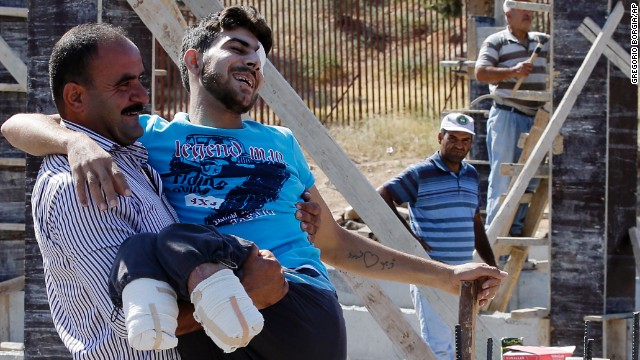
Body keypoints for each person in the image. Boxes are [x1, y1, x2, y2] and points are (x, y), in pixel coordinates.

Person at [3, 6, 507, 360]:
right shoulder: (147, 135)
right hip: (211, 323)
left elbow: (334, 243)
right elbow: (16, 125)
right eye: (238, 48)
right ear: (195, 60)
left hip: (296, 298)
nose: (254, 62)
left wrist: (443, 275)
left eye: (261, 58)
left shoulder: (283, 143)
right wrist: (75, 142)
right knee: (154, 244)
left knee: (167, 241)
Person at [0, 22, 321, 360]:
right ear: (76, 97)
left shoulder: (133, 155)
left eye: (140, 79)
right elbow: (131, 321)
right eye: (124, 83)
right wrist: (247, 292)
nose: (141, 94)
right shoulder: (79, 184)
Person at [378, 113, 497, 360]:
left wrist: (492, 265)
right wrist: (408, 238)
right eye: (452, 138)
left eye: (465, 140)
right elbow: (382, 195)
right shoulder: (421, 173)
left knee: (461, 347)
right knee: (438, 347)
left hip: (465, 275)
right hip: (430, 272)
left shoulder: (471, 175)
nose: (459, 144)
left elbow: (475, 223)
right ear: (440, 137)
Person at [474, 0, 549, 236]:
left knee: (529, 181)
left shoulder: (541, 41)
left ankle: (513, 239)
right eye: (522, 10)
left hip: (536, 120)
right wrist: (513, 71)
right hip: (508, 115)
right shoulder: (496, 41)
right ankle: (494, 249)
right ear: (508, 15)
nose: (528, 14)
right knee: (503, 182)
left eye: (530, 10)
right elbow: (481, 72)